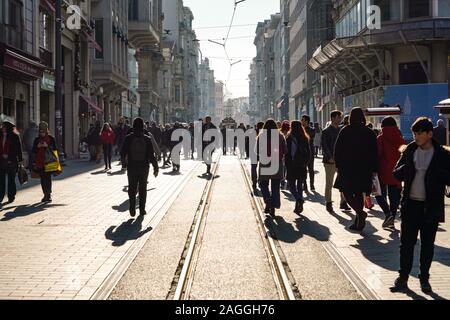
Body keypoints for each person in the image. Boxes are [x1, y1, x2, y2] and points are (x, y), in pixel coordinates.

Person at [390, 117, 450, 294]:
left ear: (429, 134)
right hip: (410, 205)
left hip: (430, 207)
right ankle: (403, 278)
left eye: (419, 133)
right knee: (406, 244)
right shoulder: (409, 150)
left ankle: (424, 278)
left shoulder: (441, 154)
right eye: (414, 133)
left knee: (427, 245)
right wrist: (409, 166)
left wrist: (435, 173)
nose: (415, 136)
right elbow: (396, 173)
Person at [334, 107, 377, 231]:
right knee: (358, 192)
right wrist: (374, 168)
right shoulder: (369, 132)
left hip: (348, 168)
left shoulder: (345, 131)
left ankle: (359, 213)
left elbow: (338, 149)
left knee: (346, 191)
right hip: (364, 169)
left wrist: (338, 165)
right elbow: (374, 152)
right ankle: (358, 220)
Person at [120, 118, 159, 217]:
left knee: (132, 188)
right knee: (143, 188)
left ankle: (132, 208)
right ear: (143, 126)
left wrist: (124, 163)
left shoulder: (128, 138)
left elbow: (122, 152)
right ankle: (142, 209)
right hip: (144, 167)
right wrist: (156, 167)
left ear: (133, 125)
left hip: (132, 166)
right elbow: (151, 155)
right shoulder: (147, 138)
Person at [375, 117, 405, 229]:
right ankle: (391, 218)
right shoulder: (400, 138)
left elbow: (378, 154)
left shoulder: (380, 139)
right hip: (396, 171)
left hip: (382, 171)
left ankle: (388, 214)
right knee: (394, 197)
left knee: (379, 194)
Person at [257, 119, 287, 217]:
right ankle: (273, 206)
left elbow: (256, 150)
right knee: (275, 186)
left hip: (265, 163)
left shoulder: (261, 136)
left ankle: (267, 199)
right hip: (277, 163)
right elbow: (285, 150)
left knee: (263, 184)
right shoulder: (280, 136)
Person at [285, 120, 311, 214]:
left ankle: (298, 199)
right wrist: (306, 163)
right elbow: (309, 153)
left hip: (292, 166)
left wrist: (286, 164)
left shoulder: (288, 138)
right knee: (300, 186)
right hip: (301, 166)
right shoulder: (305, 137)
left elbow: (286, 153)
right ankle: (298, 206)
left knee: (291, 186)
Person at [321, 110, 343, 213]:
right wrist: (330, 157)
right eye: (338, 117)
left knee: (343, 182)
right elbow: (324, 146)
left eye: (340, 117)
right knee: (329, 183)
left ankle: (343, 202)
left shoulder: (341, 130)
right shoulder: (326, 131)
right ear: (333, 118)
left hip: (340, 161)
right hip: (329, 161)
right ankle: (328, 202)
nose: (340, 119)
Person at [31, 122, 58, 203]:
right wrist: (37, 147)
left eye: (43, 132)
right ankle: (45, 194)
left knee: (48, 178)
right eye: (40, 132)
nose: (42, 133)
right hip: (40, 162)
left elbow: (55, 149)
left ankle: (48, 195)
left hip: (49, 161)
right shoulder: (37, 140)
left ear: (46, 131)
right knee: (43, 178)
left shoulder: (51, 138)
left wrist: (47, 146)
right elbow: (33, 151)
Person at [0, 121, 23, 205]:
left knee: (11, 180)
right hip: (1, 161)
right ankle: (0, 196)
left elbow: (19, 149)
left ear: (8, 128)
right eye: (2, 126)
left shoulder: (15, 136)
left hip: (11, 161)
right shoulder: (0, 135)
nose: (2, 128)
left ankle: (11, 196)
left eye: (4, 127)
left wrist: (20, 160)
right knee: (1, 180)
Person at [301, 115, 316, 191]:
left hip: (310, 151)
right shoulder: (300, 130)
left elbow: (310, 138)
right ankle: (305, 184)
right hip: (302, 152)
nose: (301, 121)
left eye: (302, 120)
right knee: (303, 169)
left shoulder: (312, 130)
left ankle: (312, 185)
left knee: (311, 169)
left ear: (306, 121)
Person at [251, 122, 264, 190]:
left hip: (253, 152)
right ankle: (260, 181)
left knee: (253, 167)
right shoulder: (265, 134)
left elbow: (248, 143)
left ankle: (254, 181)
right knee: (261, 167)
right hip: (262, 153)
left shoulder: (252, 132)